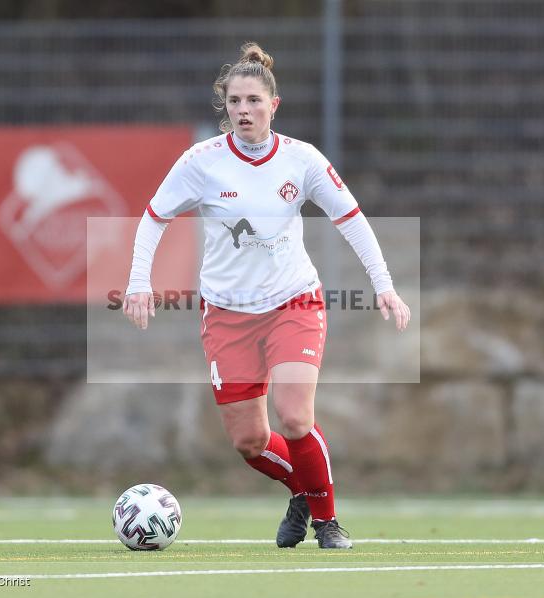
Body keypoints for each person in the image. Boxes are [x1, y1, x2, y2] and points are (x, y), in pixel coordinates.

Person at [122, 43, 410, 548]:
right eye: (234, 101)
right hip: (227, 314)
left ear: (273, 105)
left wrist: (383, 284)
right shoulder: (201, 162)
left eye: (253, 101)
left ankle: (327, 522)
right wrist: (138, 282)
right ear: (224, 107)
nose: (243, 111)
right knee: (250, 441)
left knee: (296, 417)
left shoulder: (301, 160)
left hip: (293, 303)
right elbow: (153, 218)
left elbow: (351, 219)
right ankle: (302, 491)